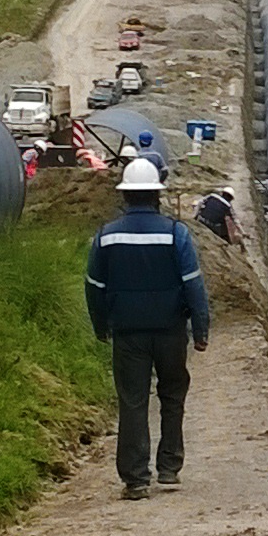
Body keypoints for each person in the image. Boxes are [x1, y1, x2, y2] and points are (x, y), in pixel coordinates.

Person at [86, 159, 211, 499]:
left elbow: (94, 286)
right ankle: (169, 469)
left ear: (125, 197)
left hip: (128, 335)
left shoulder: (106, 237)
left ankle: (136, 479)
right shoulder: (175, 234)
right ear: (157, 194)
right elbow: (193, 286)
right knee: (172, 395)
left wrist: (101, 325)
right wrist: (200, 329)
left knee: (133, 401)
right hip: (170, 332)